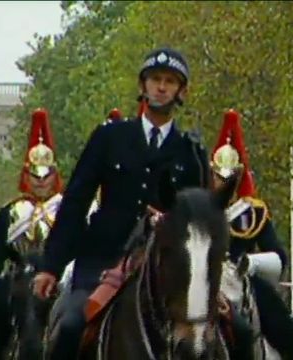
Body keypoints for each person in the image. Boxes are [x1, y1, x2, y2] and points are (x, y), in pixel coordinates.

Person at [33, 47, 210, 360]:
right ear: (142, 86)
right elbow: (75, 202)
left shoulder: (190, 152)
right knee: (71, 326)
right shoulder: (109, 137)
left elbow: (202, 222)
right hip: (103, 261)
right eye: (155, 79)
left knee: (229, 331)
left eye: (170, 81)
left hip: (164, 270)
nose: (162, 87)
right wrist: (51, 266)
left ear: (182, 91)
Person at [0, 109, 78, 359]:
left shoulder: (69, 208)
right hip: (19, 278)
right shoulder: (11, 211)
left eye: (46, 175)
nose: (41, 182)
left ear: (54, 175)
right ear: (27, 175)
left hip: (61, 277)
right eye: (35, 175)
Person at [210, 109, 293, 359]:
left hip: (242, 278)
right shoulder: (198, 206)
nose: (224, 183)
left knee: (288, 330)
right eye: (219, 177)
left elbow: (279, 256)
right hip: (203, 277)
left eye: (229, 178)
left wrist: (250, 263)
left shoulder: (252, 212)